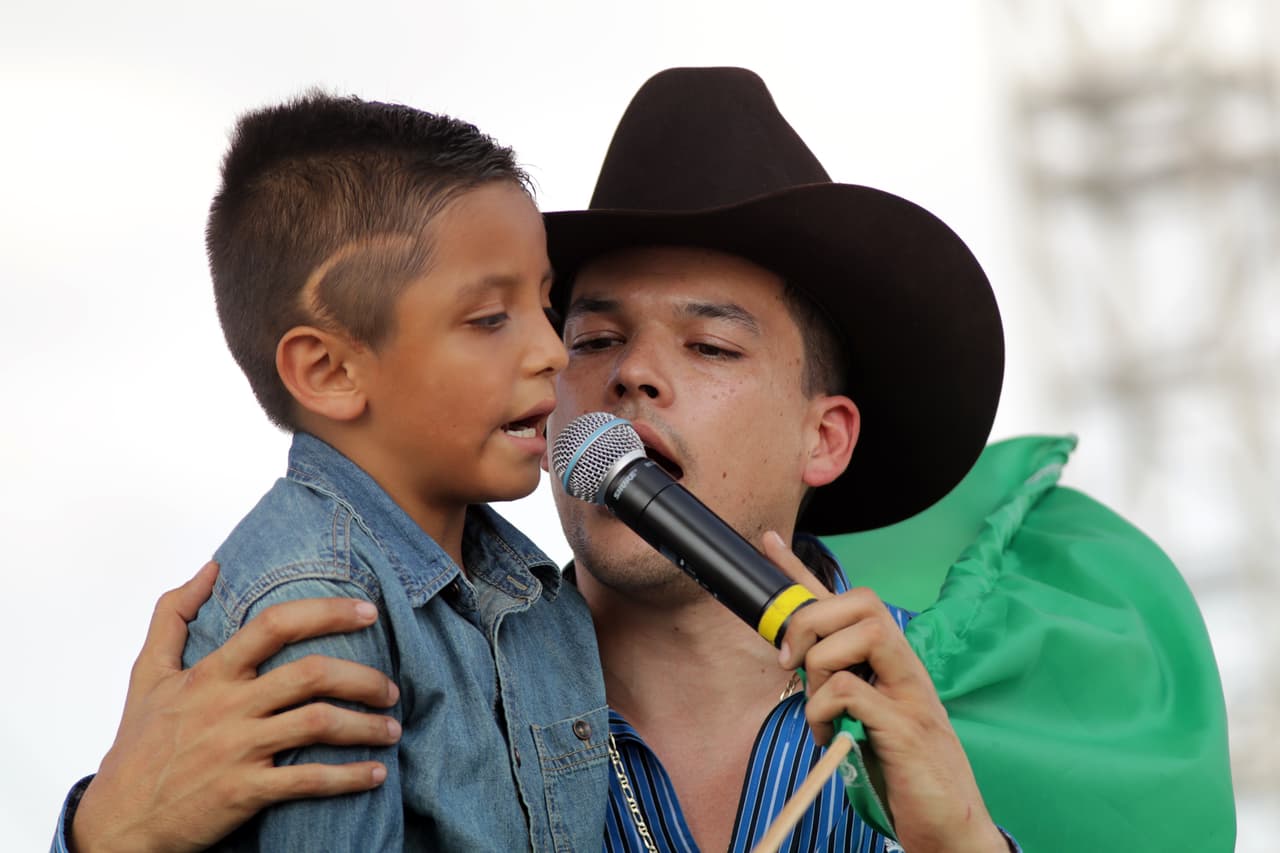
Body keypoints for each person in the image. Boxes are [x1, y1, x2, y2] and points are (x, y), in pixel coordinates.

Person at [57, 67, 1233, 852]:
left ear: (824, 435)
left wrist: (960, 838)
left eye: (709, 344)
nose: (631, 375)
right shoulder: (417, 685)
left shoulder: (971, 702)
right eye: (589, 338)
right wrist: (109, 836)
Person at [60, 91, 612, 851]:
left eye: (547, 304)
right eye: (490, 318)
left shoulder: (531, 590)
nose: (552, 350)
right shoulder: (322, 612)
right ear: (329, 370)